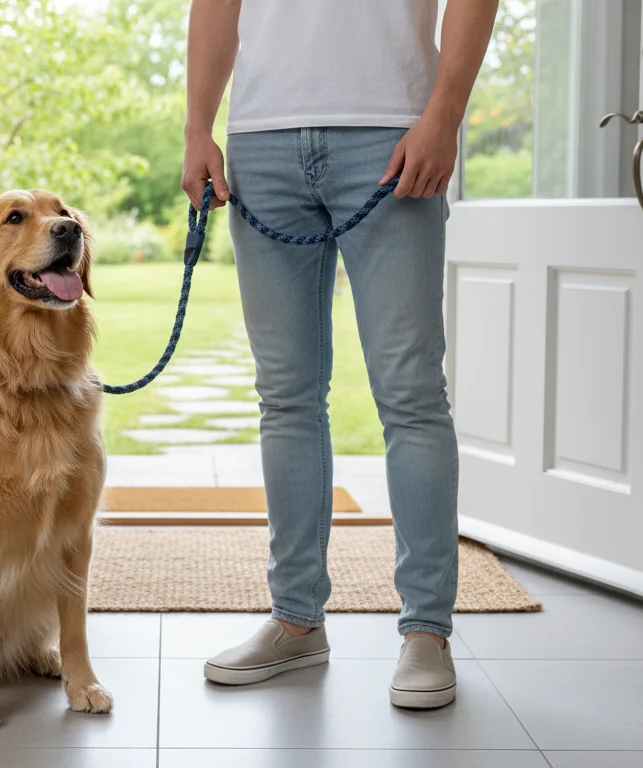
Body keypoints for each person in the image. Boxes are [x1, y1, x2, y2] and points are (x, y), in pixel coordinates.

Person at [181, 0, 498, 708]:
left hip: (392, 130)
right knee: (286, 398)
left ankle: (426, 631)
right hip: (261, 138)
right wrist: (199, 126)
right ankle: (295, 623)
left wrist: (444, 114)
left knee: (410, 393)